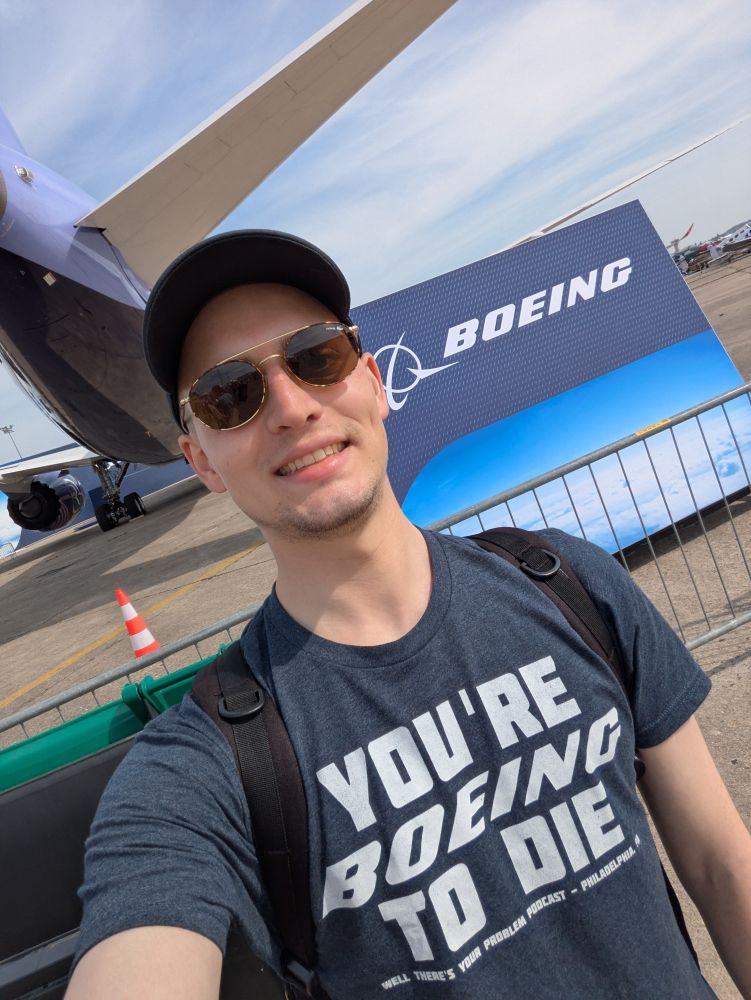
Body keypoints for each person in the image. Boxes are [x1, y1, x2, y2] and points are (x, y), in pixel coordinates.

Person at [67, 230, 751, 999]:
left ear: (374, 381)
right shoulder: (202, 770)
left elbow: (723, 865)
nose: (291, 407)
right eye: (231, 395)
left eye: (315, 356)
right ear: (201, 464)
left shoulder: (568, 583)